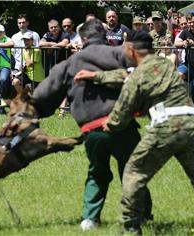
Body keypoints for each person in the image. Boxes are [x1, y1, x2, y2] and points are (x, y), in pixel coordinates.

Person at [77, 30, 194, 236]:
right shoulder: (165, 64)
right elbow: (126, 75)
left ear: (130, 49)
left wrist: (111, 125)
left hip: (167, 126)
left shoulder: (138, 75)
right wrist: (97, 76)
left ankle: (131, 227)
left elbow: (124, 106)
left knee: (133, 172)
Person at [32, 19, 152, 231]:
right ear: (105, 37)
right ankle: (142, 214)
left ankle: (89, 219)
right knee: (133, 171)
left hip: (91, 128)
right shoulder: (119, 54)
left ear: (83, 39)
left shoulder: (70, 63)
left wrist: (38, 112)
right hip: (122, 123)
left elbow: (42, 95)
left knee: (97, 172)